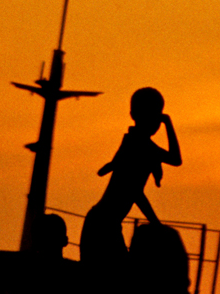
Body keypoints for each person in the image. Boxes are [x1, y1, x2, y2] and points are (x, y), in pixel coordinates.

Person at [78, 88, 182, 268]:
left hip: (107, 224)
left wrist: (167, 122)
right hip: (102, 225)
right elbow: (134, 192)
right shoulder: (139, 145)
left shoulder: (141, 144)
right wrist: (156, 224)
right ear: (135, 114)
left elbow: (175, 159)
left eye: (157, 115)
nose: (155, 121)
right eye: (151, 115)